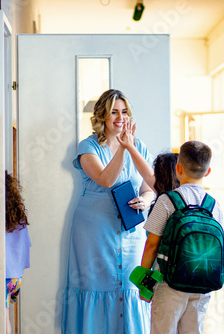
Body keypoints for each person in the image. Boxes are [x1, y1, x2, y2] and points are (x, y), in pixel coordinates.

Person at [62, 89, 155, 333]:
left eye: (124, 112)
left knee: (131, 286)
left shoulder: (140, 147)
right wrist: (124, 148)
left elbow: (151, 187)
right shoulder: (88, 146)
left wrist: (145, 201)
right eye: (113, 111)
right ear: (102, 115)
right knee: (97, 284)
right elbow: (106, 180)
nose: (120, 117)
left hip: (131, 232)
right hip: (94, 232)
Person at [140, 141, 223, 334]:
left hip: (169, 284)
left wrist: (144, 283)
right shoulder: (213, 206)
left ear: (178, 168)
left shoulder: (167, 201)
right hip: (202, 285)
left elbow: (152, 246)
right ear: (208, 171)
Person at [5, 171, 31, 334]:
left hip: (3, 275)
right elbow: (27, 245)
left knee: (1, 318)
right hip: (16, 277)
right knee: (5, 316)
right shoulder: (18, 218)